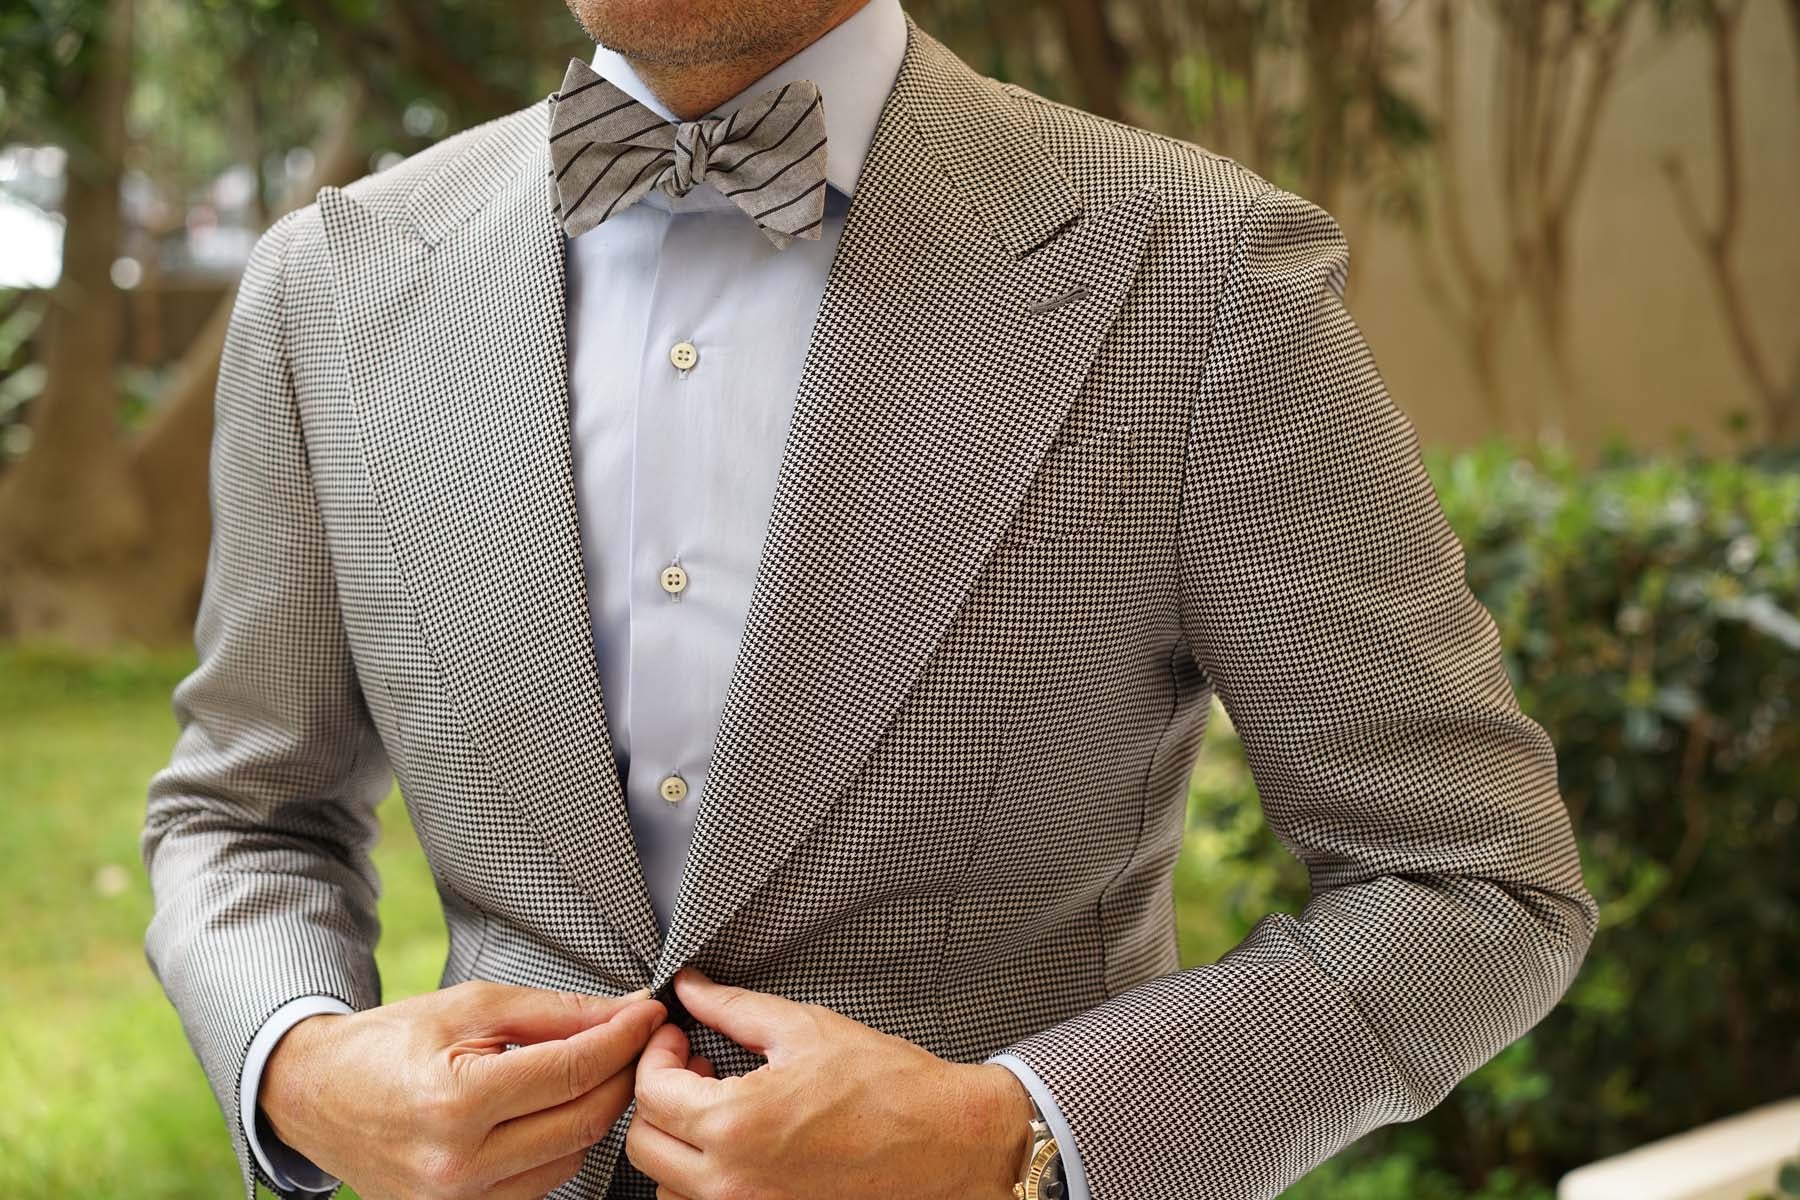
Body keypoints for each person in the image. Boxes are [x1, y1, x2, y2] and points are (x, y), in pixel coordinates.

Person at [141, 0, 1599, 1197]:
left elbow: (1472, 879)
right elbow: (240, 814)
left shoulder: (1201, 277)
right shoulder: (327, 285)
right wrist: (300, 1063)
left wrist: (1018, 1132)